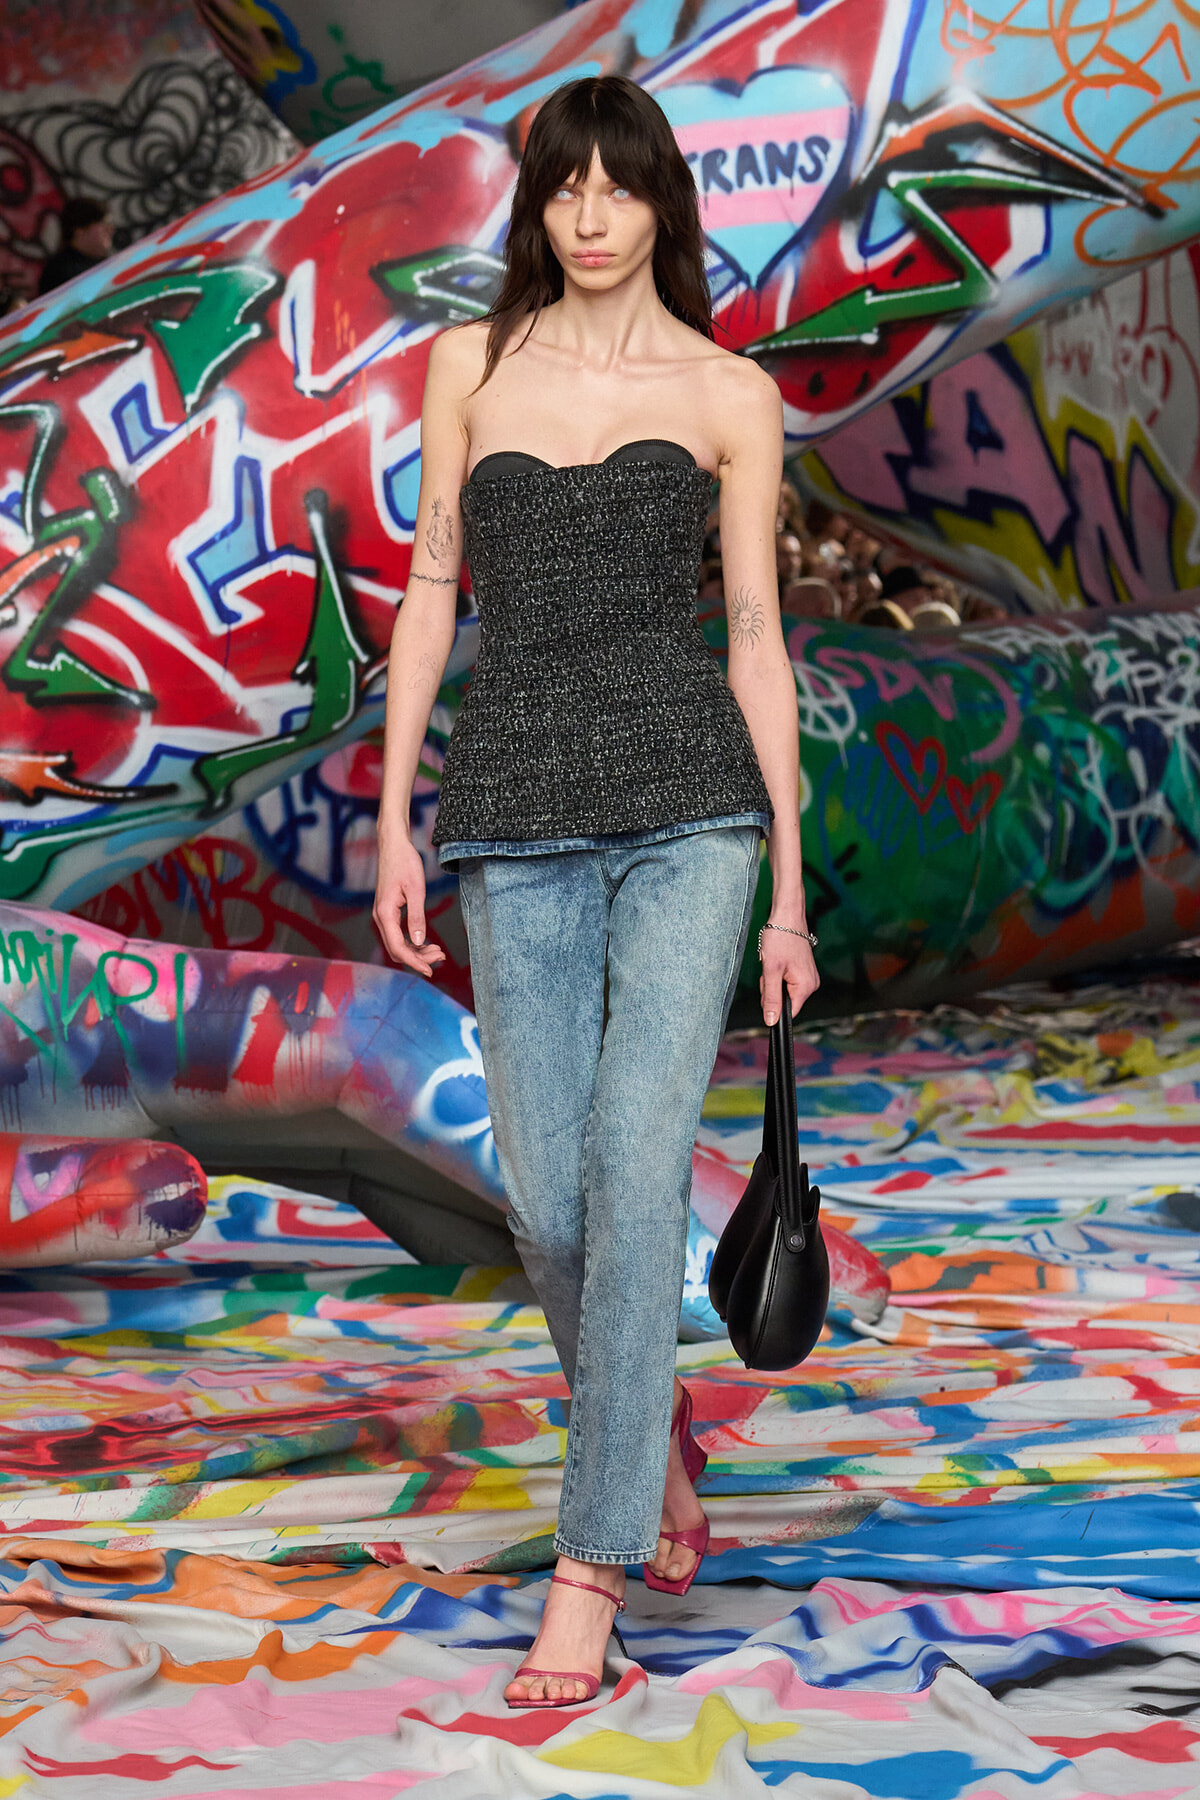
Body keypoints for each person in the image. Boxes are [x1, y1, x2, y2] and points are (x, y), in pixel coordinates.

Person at [373, 74, 818, 1710]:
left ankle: (592, 1566)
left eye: (618, 188)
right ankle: (651, 1434)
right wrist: (394, 820)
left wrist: (787, 893)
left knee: (635, 1169)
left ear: (660, 205)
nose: (590, 215)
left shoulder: (731, 392)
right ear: (538, 206)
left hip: (693, 811)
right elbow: (428, 597)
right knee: (548, 1202)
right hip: (509, 812)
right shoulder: (468, 367)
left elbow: (757, 641)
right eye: (564, 187)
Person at [37, 198, 113, 296]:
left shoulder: (102, 262)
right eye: (103, 224)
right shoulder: (60, 272)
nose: (110, 230)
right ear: (79, 231)